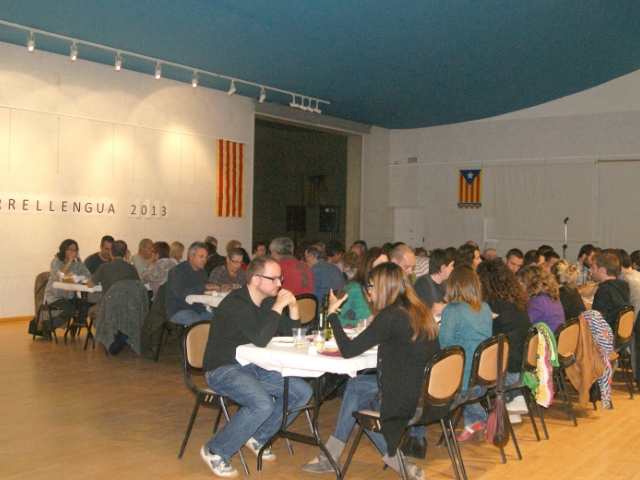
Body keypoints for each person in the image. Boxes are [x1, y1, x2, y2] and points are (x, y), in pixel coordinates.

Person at [302, 262, 439, 480]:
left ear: (383, 288)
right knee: (356, 385)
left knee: (360, 402)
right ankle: (331, 455)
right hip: (430, 393)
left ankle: (391, 460)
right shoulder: (421, 311)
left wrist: (332, 315)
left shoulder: (390, 316)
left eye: (371, 286)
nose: (369, 291)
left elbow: (348, 351)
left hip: (406, 397)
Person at [200, 256, 312, 478]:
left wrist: (293, 306)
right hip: (223, 368)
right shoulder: (236, 302)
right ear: (254, 279)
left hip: (253, 366)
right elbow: (261, 339)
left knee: (302, 392)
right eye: (273, 279)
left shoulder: (268, 302)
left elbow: (293, 336)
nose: (279, 283)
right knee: (262, 404)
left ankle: (258, 436)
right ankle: (215, 450)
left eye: (280, 278)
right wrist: (279, 306)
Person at [438, 264, 493, 442]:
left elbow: (444, 347)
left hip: (461, 384)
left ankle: (484, 419)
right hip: (483, 379)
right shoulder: (485, 308)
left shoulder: (452, 310)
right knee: (466, 366)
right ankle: (474, 423)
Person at [476, 260, 532, 423]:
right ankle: (513, 401)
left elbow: (485, 339)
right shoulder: (516, 301)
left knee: (470, 369)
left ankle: (475, 420)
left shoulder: (492, 305)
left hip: (506, 374)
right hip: (523, 368)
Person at [42, 239, 91, 337]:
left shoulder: (78, 262)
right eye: (70, 249)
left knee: (85, 306)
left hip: (70, 295)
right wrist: (69, 262)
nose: (73, 252)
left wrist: (76, 280)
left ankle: (74, 326)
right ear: (64, 250)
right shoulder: (56, 261)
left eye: (75, 250)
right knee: (70, 310)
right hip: (55, 295)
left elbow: (87, 275)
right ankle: (48, 326)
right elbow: (57, 276)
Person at [166, 242, 217, 326]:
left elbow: (206, 289)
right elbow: (180, 293)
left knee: (218, 320)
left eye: (205, 257)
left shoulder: (202, 272)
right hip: (179, 310)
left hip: (198, 309)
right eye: (201, 256)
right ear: (191, 256)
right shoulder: (177, 271)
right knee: (197, 323)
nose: (204, 260)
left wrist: (218, 288)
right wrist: (204, 286)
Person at [335, 247, 388, 327]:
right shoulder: (353, 288)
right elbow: (334, 318)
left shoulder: (381, 289)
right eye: (381, 264)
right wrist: (359, 324)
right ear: (369, 266)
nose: (386, 269)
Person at [519, 265, 566, 332]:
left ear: (530, 284)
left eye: (522, 284)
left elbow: (521, 324)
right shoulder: (551, 297)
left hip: (546, 341)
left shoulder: (537, 302)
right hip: (556, 339)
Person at [591, 252, 631, 328]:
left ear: (602, 270)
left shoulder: (603, 291)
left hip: (607, 336)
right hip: (622, 333)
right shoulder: (624, 286)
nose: (591, 271)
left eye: (593, 268)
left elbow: (597, 323)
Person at [414, 248, 454, 317]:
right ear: (443, 268)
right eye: (452, 265)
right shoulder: (423, 284)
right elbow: (421, 312)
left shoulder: (446, 283)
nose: (453, 268)